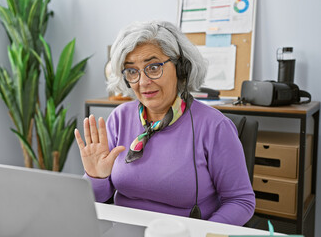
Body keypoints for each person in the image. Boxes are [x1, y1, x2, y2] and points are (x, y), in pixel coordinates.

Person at [74, 20, 255, 226]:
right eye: (132, 71)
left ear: (181, 68)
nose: (143, 82)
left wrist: (205, 233)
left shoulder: (214, 127)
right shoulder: (120, 117)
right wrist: (96, 177)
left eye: (153, 67)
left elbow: (241, 201)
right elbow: (98, 200)